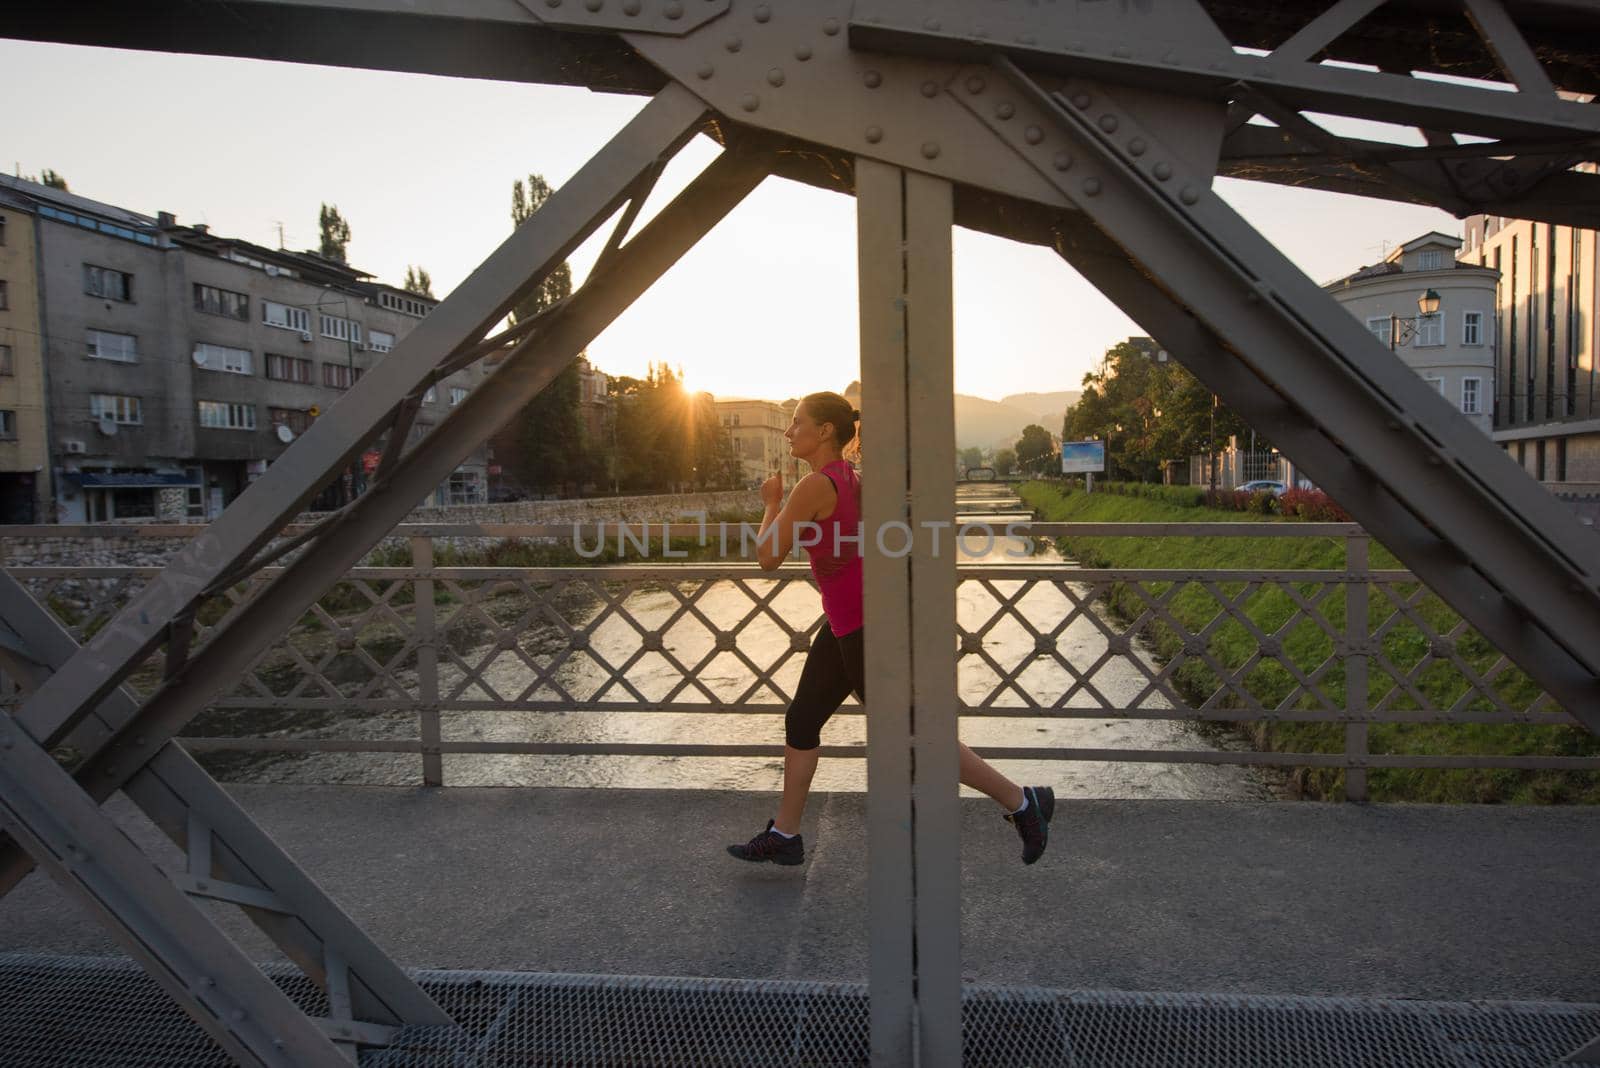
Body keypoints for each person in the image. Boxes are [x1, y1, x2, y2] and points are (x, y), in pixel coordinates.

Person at [727, 391, 1055, 867]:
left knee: (912, 734)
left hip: (864, 627)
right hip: (850, 622)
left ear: (824, 432)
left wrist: (770, 503)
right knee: (802, 720)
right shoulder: (852, 478)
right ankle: (785, 833)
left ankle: (1022, 803)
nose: (788, 430)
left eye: (796, 421)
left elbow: (767, 558)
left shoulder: (813, 486)